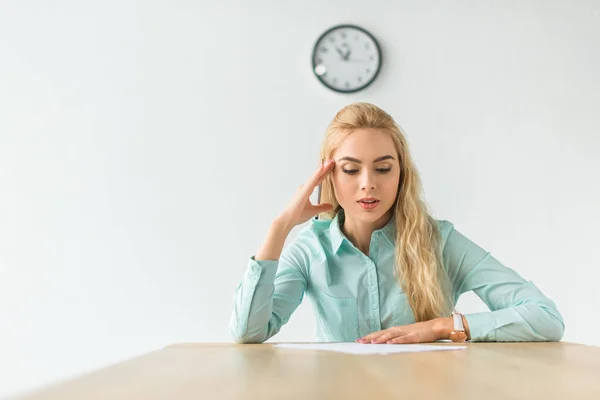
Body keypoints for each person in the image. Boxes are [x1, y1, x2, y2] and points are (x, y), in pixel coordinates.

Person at [229, 102, 564, 344]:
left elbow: (545, 317)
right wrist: (280, 227)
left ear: (401, 173)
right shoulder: (311, 248)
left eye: (383, 168)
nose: (367, 183)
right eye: (350, 169)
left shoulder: (440, 240)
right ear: (328, 174)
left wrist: (441, 327)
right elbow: (249, 333)